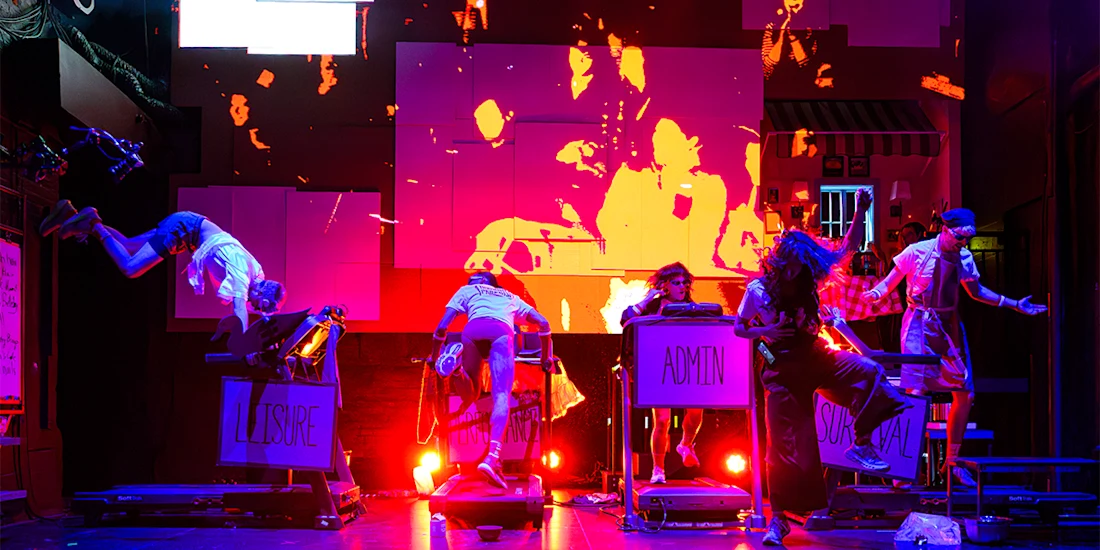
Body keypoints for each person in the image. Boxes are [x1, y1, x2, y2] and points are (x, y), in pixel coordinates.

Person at [733, 191, 911, 546]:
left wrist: (860, 210)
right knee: (785, 446)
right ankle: (779, 520)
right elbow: (739, 328)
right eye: (789, 266)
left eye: (800, 266)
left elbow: (846, 250)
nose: (794, 272)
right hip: (779, 365)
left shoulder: (809, 280)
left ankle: (862, 442)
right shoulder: (758, 290)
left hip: (815, 356)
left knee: (869, 371)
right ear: (778, 263)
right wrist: (764, 332)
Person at [862, 208, 1047, 487]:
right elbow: (890, 282)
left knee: (965, 392)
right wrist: (875, 294)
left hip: (948, 325)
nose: (964, 243)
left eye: (967, 239)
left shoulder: (964, 257)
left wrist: (1014, 304)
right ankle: (905, 466)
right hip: (918, 324)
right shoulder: (917, 251)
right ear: (945, 230)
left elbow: (976, 291)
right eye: (960, 237)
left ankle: (953, 462)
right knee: (917, 393)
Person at [41, 200, 286, 331]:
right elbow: (239, 309)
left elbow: (248, 305)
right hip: (184, 230)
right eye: (260, 304)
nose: (255, 307)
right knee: (130, 268)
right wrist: (244, 345)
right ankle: (93, 223)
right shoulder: (244, 273)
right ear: (261, 291)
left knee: (127, 246)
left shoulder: (257, 273)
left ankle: (69, 214)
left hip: (187, 230)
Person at [430, 272, 554, 489]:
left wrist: (434, 356)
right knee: (501, 396)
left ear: (477, 283)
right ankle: (492, 458)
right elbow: (543, 323)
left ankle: (457, 370)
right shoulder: (510, 296)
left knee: (471, 395)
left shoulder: (467, 290)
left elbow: (442, 328)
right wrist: (546, 358)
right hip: (500, 332)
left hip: (471, 331)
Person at [620, 262, 702, 484]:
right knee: (663, 420)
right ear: (665, 285)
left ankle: (685, 444)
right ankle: (658, 469)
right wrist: (648, 299)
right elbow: (626, 319)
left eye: (685, 283)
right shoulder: (653, 306)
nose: (682, 286)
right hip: (658, 367)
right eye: (676, 283)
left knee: (696, 412)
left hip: (686, 366)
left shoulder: (692, 307)